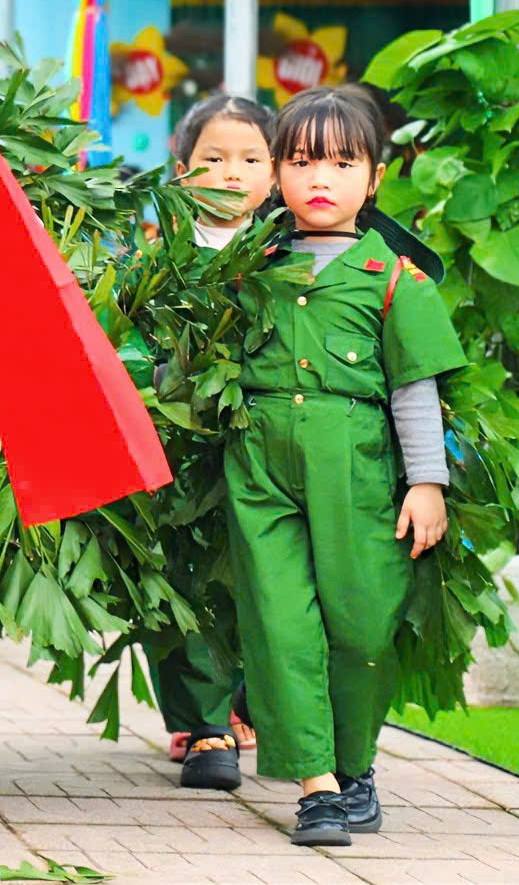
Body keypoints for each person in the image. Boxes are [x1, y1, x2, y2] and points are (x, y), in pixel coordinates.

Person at [226, 86, 465, 847]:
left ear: (374, 179)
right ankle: (317, 787)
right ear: (275, 176)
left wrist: (427, 483)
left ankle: (354, 764)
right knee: (282, 621)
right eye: (298, 161)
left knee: (361, 625)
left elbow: (414, 389)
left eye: (340, 161)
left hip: (358, 474)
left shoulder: (395, 278)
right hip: (259, 468)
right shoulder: (245, 269)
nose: (317, 178)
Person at [150, 95, 275, 793]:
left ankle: (252, 702)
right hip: (183, 449)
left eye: (251, 160)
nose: (232, 174)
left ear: (277, 173)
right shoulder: (158, 261)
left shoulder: (291, 252)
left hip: (269, 446)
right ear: (181, 171)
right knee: (187, 580)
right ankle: (204, 724)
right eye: (214, 160)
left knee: (265, 574)